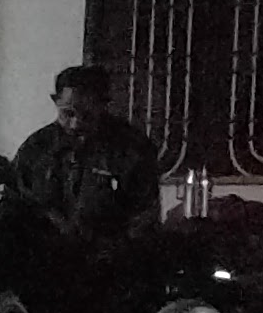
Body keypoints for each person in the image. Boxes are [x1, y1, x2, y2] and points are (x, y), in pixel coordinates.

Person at [9, 62, 164, 242]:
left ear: (103, 105)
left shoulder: (131, 148)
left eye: (87, 115)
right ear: (55, 101)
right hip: (44, 250)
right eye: (67, 114)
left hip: (108, 251)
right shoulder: (37, 147)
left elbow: (143, 217)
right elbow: (15, 201)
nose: (76, 124)